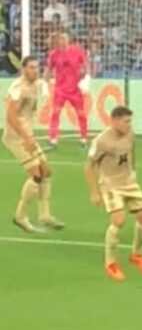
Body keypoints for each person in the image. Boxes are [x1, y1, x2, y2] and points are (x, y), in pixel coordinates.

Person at [85, 106, 142, 282]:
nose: (128, 125)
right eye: (125, 121)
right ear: (114, 120)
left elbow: (132, 151)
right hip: (110, 184)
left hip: (128, 181)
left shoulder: (130, 133)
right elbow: (88, 166)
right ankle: (110, 263)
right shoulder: (101, 141)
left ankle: (136, 255)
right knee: (119, 221)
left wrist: (134, 171)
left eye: (130, 121)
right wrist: (94, 192)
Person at [4, 58, 64, 233]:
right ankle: (20, 217)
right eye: (31, 67)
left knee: (46, 172)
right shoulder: (17, 88)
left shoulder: (36, 85)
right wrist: (26, 137)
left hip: (27, 136)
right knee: (36, 175)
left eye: (37, 67)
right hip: (16, 137)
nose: (35, 70)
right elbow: (11, 117)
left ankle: (44, 215)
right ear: (23, 69)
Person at [45, 27, 90, 149]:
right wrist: (44, 82)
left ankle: (84, 138)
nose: (62, 40)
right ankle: (53, 140)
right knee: (55, 113)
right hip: (60, 90)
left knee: (81, 114)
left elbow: (86, 65)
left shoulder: (77, 51)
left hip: (75, 90)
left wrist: (87, 78)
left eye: (65, 38)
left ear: (69, 39)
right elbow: (48, 69)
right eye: (60, 38)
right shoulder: (54, 54)